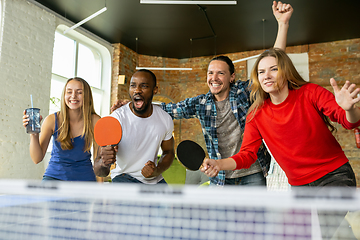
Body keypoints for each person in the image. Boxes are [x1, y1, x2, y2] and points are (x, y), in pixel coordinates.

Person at [111, 1, 293, 187]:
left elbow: (274, 62)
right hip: (220, 175)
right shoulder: (201, 103)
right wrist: (132, 104)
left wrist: (283, 24)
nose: (214, 78)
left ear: (232, 77)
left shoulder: (243, 92)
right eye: (210, 73)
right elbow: (168, 108)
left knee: (255, 217)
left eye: (220, 73)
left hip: (252, 172)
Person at [201, 48, 360, 188]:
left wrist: (350, 108)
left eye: (274, 69)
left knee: (322, 222)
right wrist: (218, 164)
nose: (267, 76)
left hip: (334, 175)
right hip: (299, 185)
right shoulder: (256, 113)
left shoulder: (310, 92)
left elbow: (349, 122)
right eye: (261, 72)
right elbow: (247, 155)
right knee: (307, 223)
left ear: (286, 71)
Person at [94, 69, 175, 184]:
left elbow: (169, 152)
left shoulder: (165, 119)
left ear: (155, 90)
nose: (137, 90)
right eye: (133, 86)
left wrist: (157, 170)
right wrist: (103, 162)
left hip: (154, 179)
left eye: (144, 86)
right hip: (124, 177)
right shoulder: (117, 118)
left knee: (173, 202)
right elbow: (100, 171)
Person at [22, 77, 100, 181]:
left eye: (79, 92)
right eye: (69, 92)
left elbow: (99, 160)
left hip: (84, 180)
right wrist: (34, 134)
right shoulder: (52, 120)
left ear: (87, 96)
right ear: (64, 95)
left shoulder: (95, 121)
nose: (73, 96)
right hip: (54, 178)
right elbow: (37, 159)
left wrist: (101, 192)